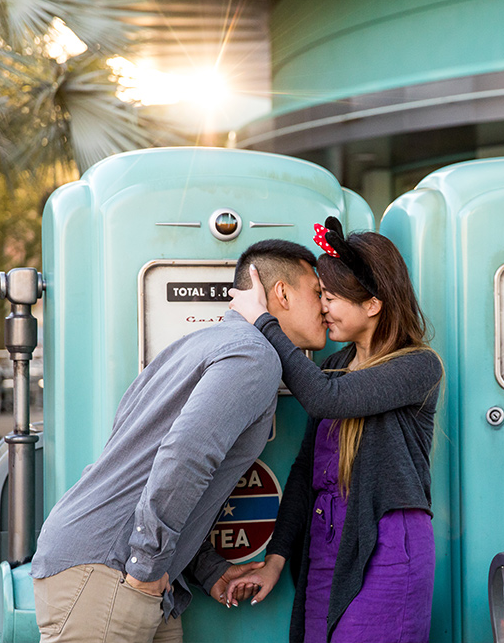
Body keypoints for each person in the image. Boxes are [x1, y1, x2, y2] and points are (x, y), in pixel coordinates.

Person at [30, 239, 328, 643]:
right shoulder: (255, 356)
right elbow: (184, 457)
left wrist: (205, 567)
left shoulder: (198, 345)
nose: (326, 307)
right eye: (317, 293)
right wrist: (145, 567)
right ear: (282, 293)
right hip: (111, 570)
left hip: (129, 570)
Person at [225, 218, 443, 643]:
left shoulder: (418, 366)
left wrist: (263, 321)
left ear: (374, 304)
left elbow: (328, 399)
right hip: (328, 545)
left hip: (387, 545)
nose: (322, 307)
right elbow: (306, 471)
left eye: (331, 297)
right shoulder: (333, 366)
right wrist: (276, 558)